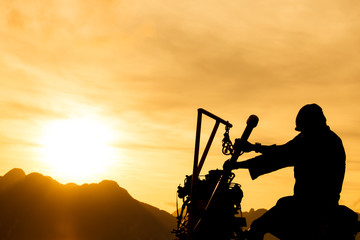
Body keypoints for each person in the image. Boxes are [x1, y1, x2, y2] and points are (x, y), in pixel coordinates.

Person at [224, 103, 358, 240]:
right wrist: (240, 164)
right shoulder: (310, 139)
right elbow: (280, 155)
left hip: (312, 207)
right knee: (270, 216)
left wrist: (251, 150)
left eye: (304, 129)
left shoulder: (324, 142)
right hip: (304, 204)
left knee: (259, 225)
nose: (302, 133)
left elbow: (282, 154)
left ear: (312, 124)